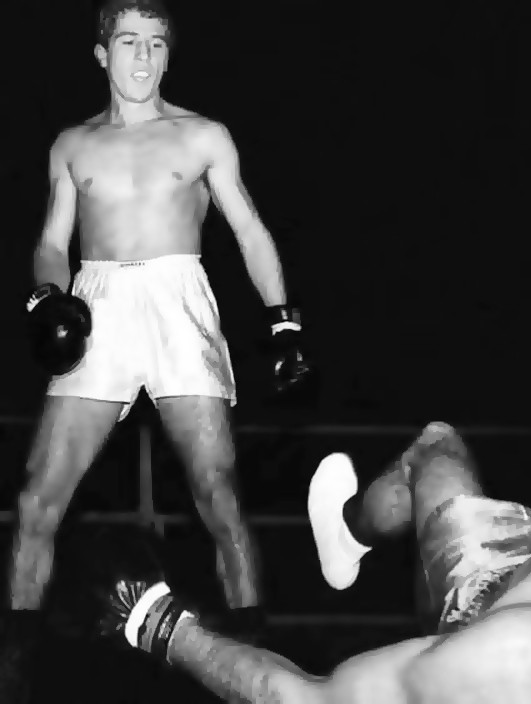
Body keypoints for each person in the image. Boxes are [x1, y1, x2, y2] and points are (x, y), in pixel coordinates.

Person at [90, 422, 531, 704]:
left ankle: (346, 534)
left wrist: (159, 624)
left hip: (491, 587)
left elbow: (306, 701)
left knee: (437, 447)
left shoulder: (530, 657)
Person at [12, 0, 313, 633]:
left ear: (169, 55)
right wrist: (48, 297)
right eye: (129, 41)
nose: (143, 56)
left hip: (179, 300)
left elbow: (250, 231)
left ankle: (253, 653)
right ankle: (13, 660)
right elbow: (52, 243)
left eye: (155, 43)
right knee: (38, 496)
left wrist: (283, 324)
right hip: (97, 303)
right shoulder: (72, 145)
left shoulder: (203, 135)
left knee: (219, 495)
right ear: (103, 54)